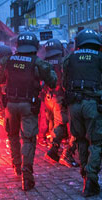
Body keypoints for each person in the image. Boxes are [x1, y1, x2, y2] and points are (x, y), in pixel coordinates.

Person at [0, 32, 57, 191]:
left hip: (10, 104)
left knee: (13, 135)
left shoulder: (7, 60)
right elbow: (53, 81)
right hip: (28, 105)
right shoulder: (38, 62)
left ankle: (16, 166)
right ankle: (26, 175)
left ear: (18, 46)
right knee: (29, 139)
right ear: (35, 47)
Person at [63, 28, 102, 197]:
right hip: (93, 105)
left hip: (74, 106)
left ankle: (85, 177)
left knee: (81, 140)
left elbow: (64, 82)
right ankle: (91, 178)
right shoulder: (100, 57)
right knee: (97, 142)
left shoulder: (70, 58)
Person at [43, 39, 78, 168]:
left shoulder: (45, 62)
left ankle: (53, 149)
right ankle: (55, 150)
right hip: (59, 97)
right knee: (62, 123)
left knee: (55, 123)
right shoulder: (63, 62)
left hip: (48, 97)